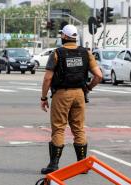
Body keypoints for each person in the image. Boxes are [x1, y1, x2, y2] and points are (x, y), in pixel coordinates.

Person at [40, 24, 102, 174]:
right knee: (78, 128)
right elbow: (99, 76)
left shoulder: (56, 53)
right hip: (79, 94)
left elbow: (48, 78)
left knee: (59, 128)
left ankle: (53, 166)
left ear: (65, 37)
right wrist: (88, 88)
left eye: (62, 35)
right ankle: (82, 166)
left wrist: (43, 97)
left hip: (62, 94)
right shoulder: (86, 53)